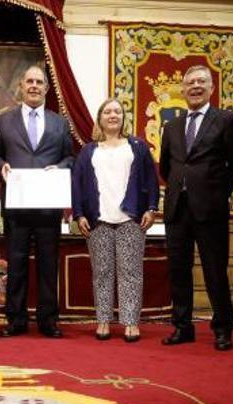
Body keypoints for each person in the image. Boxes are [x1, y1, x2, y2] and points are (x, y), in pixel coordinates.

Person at [159, 66, 233, 351]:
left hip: (211, 210)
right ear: (182, 90)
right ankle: (182, 327)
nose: (195, 86)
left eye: (201, 82)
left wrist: (218, 192)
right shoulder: (171, 126)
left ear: (211, 88)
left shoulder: (225, 120)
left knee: (214, 271)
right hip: (177, 210)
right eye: (189, 82)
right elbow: (166, 166)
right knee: (178, 271)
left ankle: (223, 328)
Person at [0, 65, 74, 338]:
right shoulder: (5, 120)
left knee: (49, 264)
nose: (35, 86)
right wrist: (1, 166)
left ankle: (48, 320)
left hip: (48, 205)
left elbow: (70, 158)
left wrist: (60, 167)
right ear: (22, 86)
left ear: (47, 89)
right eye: (30, 81)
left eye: (40, 82)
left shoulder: (60, 123)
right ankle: (15, 320)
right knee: (16, 263)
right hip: (16, 205)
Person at [71, 98, 159, 342]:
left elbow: (151, 180)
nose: (112, 115)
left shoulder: (138, 147)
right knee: (102, 273)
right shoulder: (88, 151)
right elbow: (76, 185)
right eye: (107, 111)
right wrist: (79, 214)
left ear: (123, 118)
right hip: (97, 220)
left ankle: (131, 323)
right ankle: (103, 321)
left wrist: (152, 208)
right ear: (99, 118)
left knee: (131, 272)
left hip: (130, 218)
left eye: (117, 111)